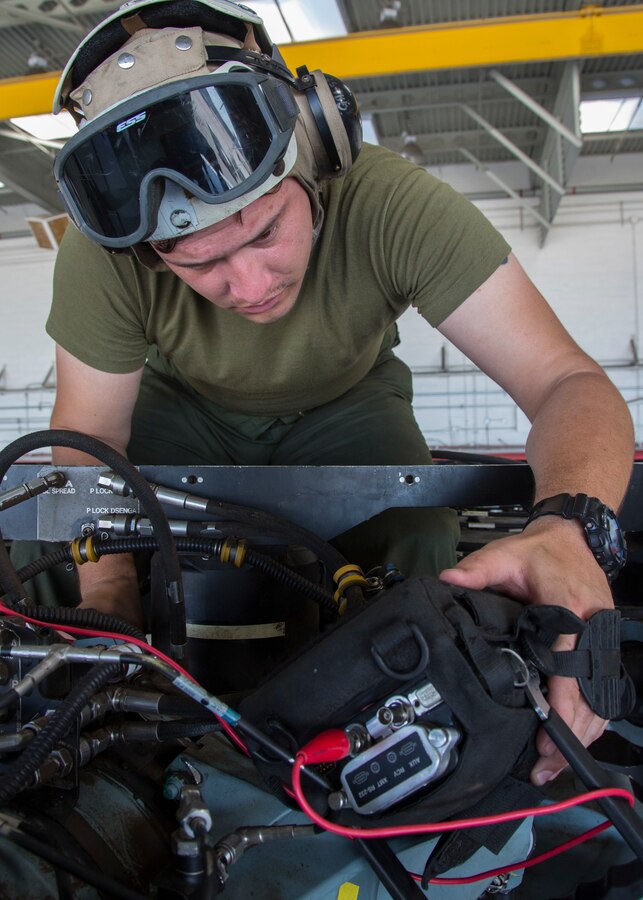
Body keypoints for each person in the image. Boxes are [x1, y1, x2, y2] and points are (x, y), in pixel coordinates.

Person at [42, 0, 633, 789]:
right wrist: (110, 601)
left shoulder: (390, 204)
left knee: (416, 537)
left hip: (346, 405)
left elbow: (565, 382)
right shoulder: (102, 258)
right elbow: (89, 439)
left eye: (264, 231)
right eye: (198, 262)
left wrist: (567, 532)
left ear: (315, 152)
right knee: (52, 551)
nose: (248, 284)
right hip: (180, 412)